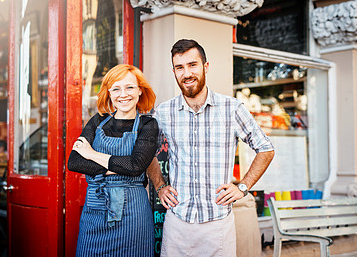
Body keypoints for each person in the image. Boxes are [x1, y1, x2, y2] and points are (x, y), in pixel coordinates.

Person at [147, 39, 275, 256]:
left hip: (218, 225)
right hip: (177, 223)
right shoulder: (163, 112)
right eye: (180, 67)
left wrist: (243, 187)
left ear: (206, 66)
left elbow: (266, 148)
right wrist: (159, 186)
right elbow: (147, 153)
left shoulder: (232, 109)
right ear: (174, 71)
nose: (186, 73)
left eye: (192, 65)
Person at [67, 64, 158, 257]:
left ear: (140, 90)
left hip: (133, 216)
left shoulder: (148, 124)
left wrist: (91, 154)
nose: (123, 94)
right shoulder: (97, 120)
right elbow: (74, 162)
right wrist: (118, 166)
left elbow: (136, 166)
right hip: (95, 211)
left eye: (130, 87)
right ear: (109, 93)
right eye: (116, 88)